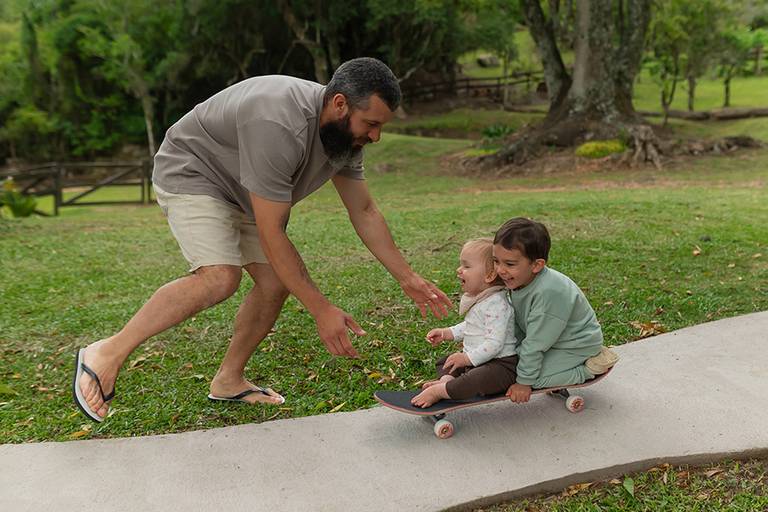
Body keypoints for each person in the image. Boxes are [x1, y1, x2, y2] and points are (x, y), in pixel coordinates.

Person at [72, 57, 452, 423]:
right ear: (339, 104)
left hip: (245, 190)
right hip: (194, 171)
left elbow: (364, 211)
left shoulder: (342, 138)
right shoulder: (278, 119)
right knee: (219, 277)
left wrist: (408, 278)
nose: (376, 136)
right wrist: (321, 309)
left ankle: (228, 381)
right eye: (370, 124)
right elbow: (272, 233)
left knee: (274, 283)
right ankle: (106, 352)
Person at [492, 217, 617, 404]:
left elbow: (535, 344)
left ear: (536, 265)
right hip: (552, 339)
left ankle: (589, 368)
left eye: (509, 264)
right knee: (516, 363)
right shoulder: (520, 281)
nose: (500, 270)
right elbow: (520, 323)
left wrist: (524, 382)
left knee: (534, 378)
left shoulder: (548, 294)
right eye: (496, 261)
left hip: (576, 345)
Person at [411, 238, 518, 408]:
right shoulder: (482, 298)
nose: (459, 270)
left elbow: (494, 344)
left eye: (466, 266)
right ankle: (447, 381)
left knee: (475, 379)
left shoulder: (497, 304)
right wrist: (448, 332)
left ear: (489, 276)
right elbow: (472, 326)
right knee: (445, 362)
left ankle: (440, 391)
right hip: (480, 361)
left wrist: (467, 358)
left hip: (501, 365)